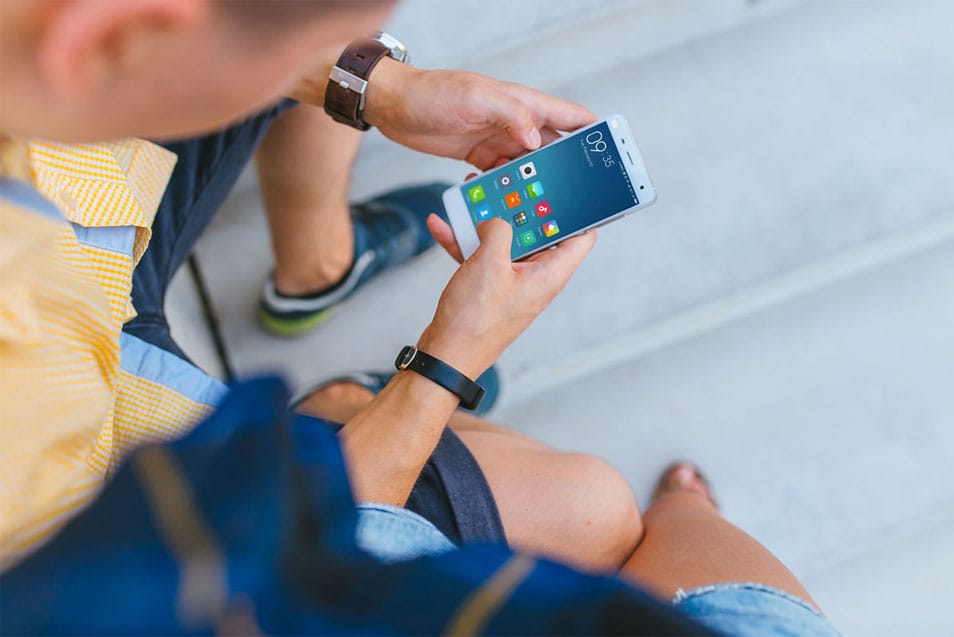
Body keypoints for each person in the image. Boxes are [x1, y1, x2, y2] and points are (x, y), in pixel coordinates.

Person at [0, 1, 841, 635]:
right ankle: (338, 400)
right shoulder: (27, 448)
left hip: (92, 246)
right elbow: (269, 558)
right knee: (595, 508)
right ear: (101, 37)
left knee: (589, 503)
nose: (343, 58)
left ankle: (319, 282)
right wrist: (447, 357)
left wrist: (371, 84)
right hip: (107, 411)